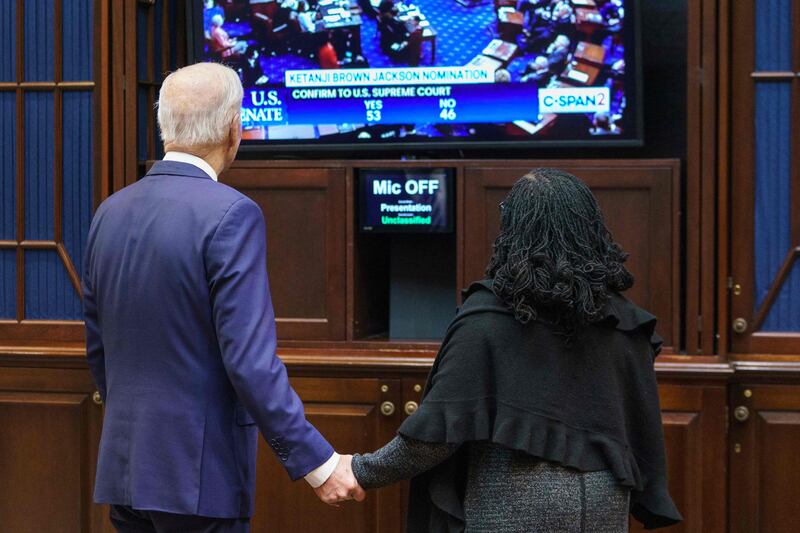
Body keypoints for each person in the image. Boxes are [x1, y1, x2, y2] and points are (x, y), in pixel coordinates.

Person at [83, 62, 364, 532]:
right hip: (197, 480)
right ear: (234, 130)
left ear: (164, 127)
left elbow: (99, 350)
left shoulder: (109, 212)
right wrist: (319, 463)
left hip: (125, 471)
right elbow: (250, 363)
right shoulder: (232, 214)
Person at [348, 169, 683, 531]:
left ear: (513, 231)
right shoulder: (624, 322)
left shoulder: (486, 320)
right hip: (606, 502)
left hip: (517, 502)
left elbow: (434, 438)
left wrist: (359, 471)